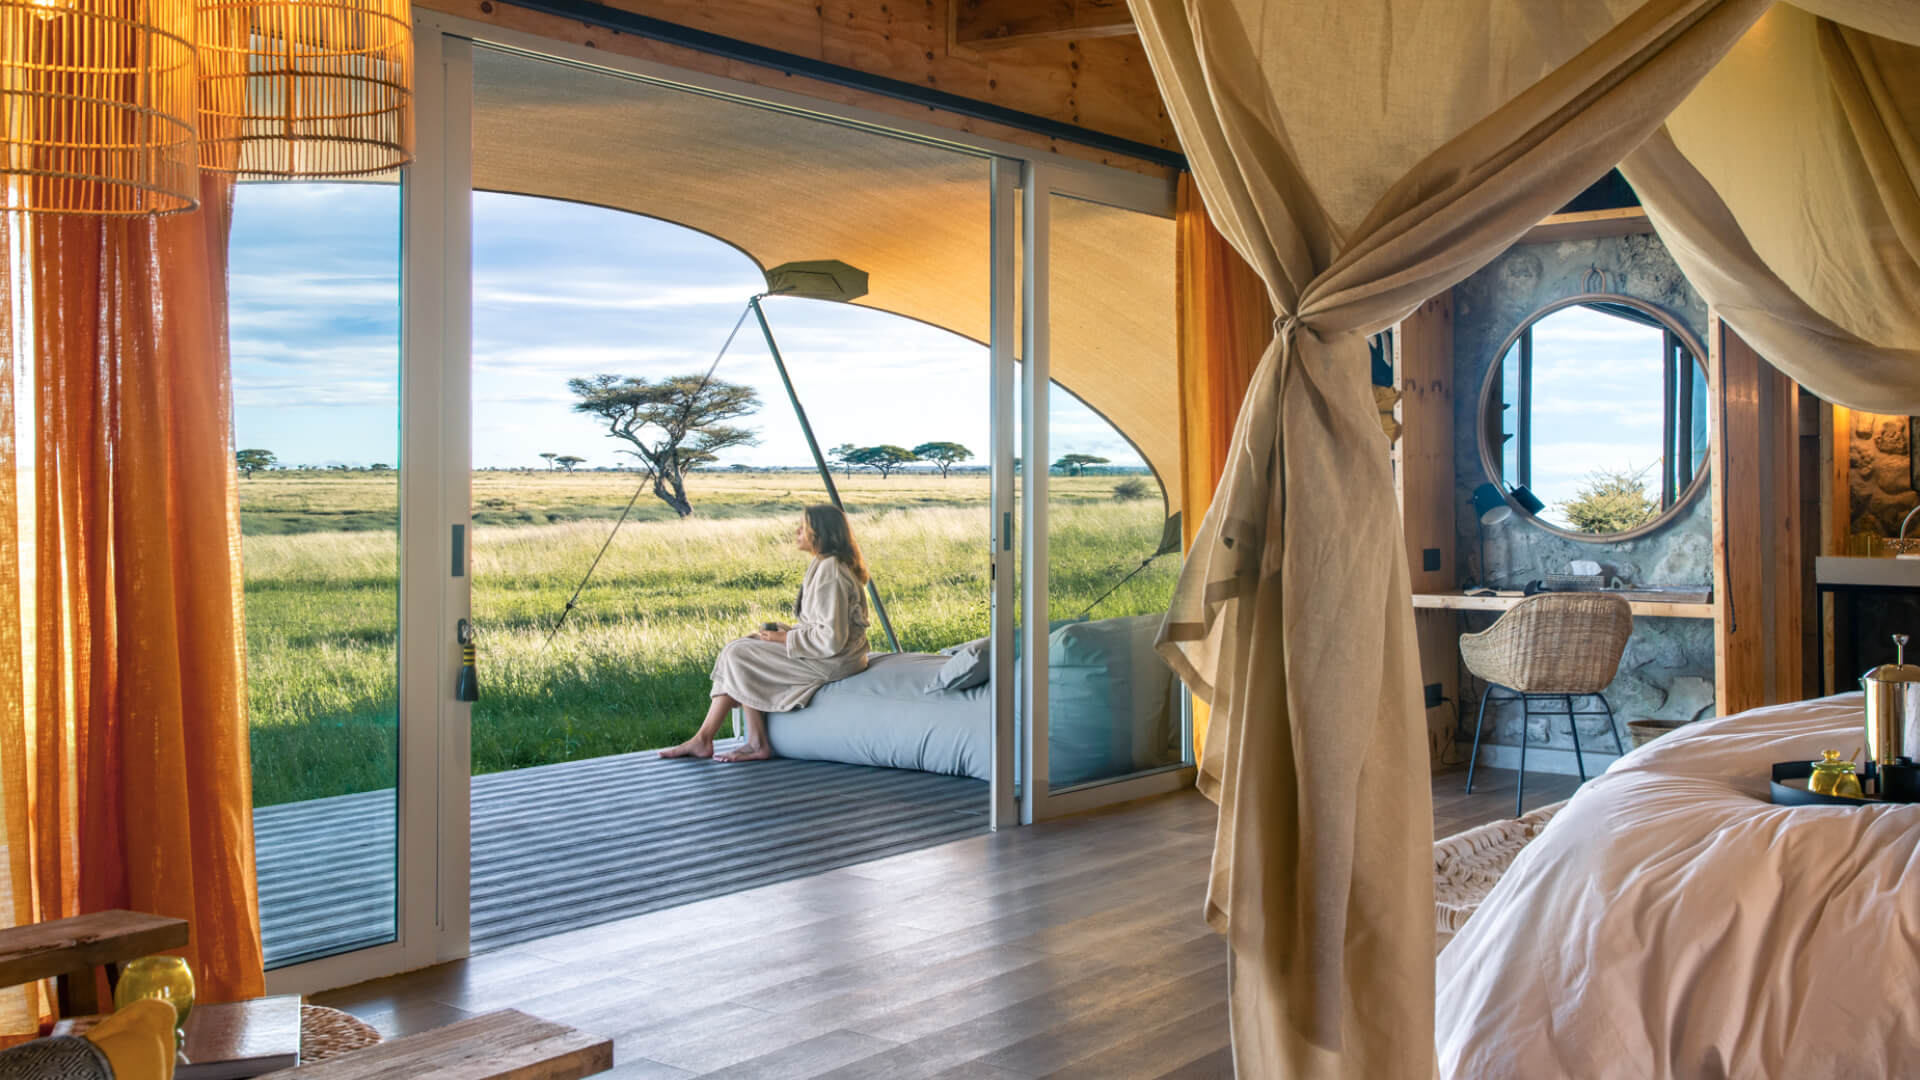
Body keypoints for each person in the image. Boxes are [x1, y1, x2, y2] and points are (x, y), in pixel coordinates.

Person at [660, 503, 872, 762]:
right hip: (834, 653)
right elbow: (826, 624)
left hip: (835, 661)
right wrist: (787, 631)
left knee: (740, 654)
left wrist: (785, 638)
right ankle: (711, 739)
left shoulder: (831, 571)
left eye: (804, 527)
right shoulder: (824, 563)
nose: (797, 531)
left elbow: (832, 639)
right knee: (743, 646)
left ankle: (741, 742)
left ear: (820, 533)